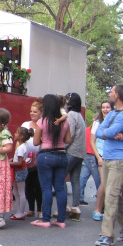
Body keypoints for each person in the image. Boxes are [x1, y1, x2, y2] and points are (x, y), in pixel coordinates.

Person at [94, 84, 123, 246]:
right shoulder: (113, 113)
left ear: (118, 95)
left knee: (111, 195)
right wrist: (110, 134)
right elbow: (99, 132)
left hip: (120, 160)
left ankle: (107, 235)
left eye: (111, 92)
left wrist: (109, 133)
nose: (109, 94)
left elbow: (108, 132)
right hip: (108, 158)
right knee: (111, 194)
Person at [31, 94, 72, 228]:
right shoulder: (64, 122)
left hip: (46, 155)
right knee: (60, 188)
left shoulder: (42, 122)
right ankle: (61, 220)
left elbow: (36, 142)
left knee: (46, 188)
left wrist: (44, 139)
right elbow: (68, 140)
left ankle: (45, 219)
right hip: (61, 155)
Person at [64, 93, 87, 221]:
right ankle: (75, 207)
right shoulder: (80, 116)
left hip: (72, 151)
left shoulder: (71, 115)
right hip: (81, 152)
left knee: (61, 176)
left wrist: (63, 148)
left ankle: (65, 206)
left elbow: (70, 135)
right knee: (75, 179)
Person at [90, 101, 113, 220]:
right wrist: (98, 157)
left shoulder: (115, 122)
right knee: (104, 183)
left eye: (107, 107)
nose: (105, 109)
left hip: (113, 156)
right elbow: (92, 141)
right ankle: (97, 209)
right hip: (101, 155)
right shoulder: (97, 123)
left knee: (111, 184)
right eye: (103, 107)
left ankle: (107, 209)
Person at [24, 99, 43, 218]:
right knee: (28, 184)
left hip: (40, 158)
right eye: (31, 111)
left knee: (38, 184)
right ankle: (31, 208)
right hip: (27, 159)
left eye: (35, 112)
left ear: (41, 112)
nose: (32, 113)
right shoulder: (25, 124)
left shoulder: (43, 125)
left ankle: (40, 209)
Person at [9, 126, 32, 220]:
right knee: (15, 191)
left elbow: (19, 162)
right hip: (18, 170)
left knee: (21, 191)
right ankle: (19, 211)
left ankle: (21, 212)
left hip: (19, 170)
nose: (14, 134)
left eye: (16, 133)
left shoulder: (21, 148)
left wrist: (9, 163)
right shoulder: (23, 146)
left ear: (21, 136)